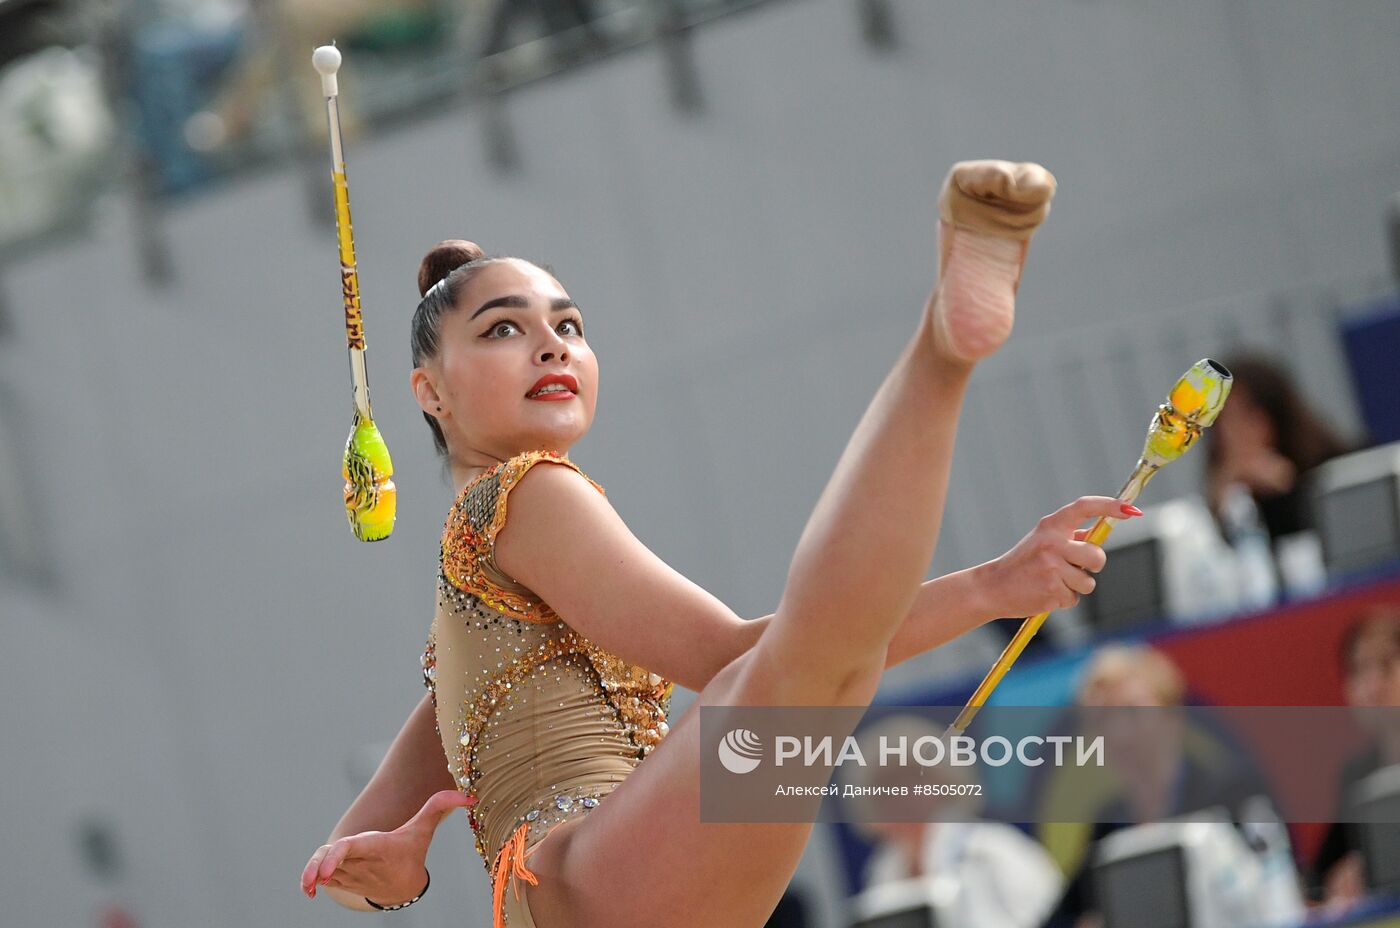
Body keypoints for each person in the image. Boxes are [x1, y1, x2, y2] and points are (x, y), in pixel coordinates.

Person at [299, 160, 1134, 927]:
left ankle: (945, 353)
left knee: (819, 675)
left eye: (570, 323)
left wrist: (403, 868)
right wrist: (991, 587)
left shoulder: (462, 624)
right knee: (806, 672)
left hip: (578, 894)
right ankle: (942, 352)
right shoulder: (522, 494)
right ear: (428, 393)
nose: (554, 343)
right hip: (588, 869)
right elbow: (736, 656)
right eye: (502, 330)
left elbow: (342, 868)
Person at [1038, 644, 1280, 928]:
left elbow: (1278, 887)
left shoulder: (1232, 793)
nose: (1119, 733)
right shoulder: (1107, 825)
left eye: (1132, 711)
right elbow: (1059, 920)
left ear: (1173, 715)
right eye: (1103, 719)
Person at [849, 713, 1063, 928]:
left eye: (912, 778)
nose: (899, 795)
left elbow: (1057, 915)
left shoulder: (993, 849)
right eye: (884, 787)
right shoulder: (880, 875)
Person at [1204, 354, 1353, 545]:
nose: (1232, 433)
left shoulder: (1333, 466)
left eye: (1245, 416)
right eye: (1222, 420)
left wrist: (1289, 489)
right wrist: (1220, 505)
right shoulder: (1228, 494)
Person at [1311, 606, 1400, 910]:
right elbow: (1320, 878)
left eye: (1386, 664)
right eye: (1360, 670)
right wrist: (1342, 879)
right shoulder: (1358, 776)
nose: (1373, 685)